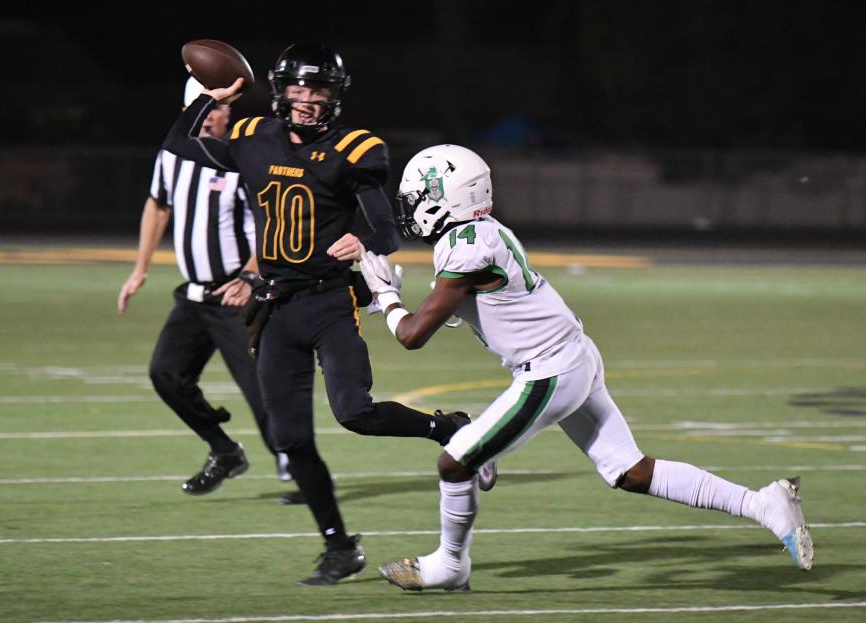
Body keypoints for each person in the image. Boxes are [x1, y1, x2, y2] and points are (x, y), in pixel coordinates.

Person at [359, 144, 814, 591]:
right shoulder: (481, 234)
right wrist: (400, 307)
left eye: (417, 199)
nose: (411, 209)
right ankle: (764, 504)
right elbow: (464, 309)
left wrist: (386, 297)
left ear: (446, 197)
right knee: (630, 471)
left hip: (551, 370)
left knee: (454, 463)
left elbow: (413, 336)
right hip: (572, 357)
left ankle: (449, 565)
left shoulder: (466, 245)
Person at [161, 42, 482, 585]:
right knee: (290, 439)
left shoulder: (352, 149)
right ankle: (339, 547)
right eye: (299, 89)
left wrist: (360, 239)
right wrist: (211, 97)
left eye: (319, 91)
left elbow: (385, 228)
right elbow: (179, 144)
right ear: (280, 89)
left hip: (329, 301)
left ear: (335, 96)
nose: (307, 100)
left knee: (353, 412)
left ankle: (446, 428)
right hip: (277, 307)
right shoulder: (251, 136)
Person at [119, 76, 300, 502]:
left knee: (261, 386)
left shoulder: (240, 159)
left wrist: (251, 276)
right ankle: (224, 450)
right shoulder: (172, 157)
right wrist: (139, 269)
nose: (220, 114)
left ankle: (296, 466)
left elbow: (269, 224)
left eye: (221, 107)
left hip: (235, 295)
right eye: (211, 107)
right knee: (166, 375)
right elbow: (157, 205)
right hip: (195, 295)